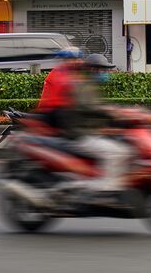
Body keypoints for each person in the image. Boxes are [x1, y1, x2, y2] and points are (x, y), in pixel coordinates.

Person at [36, 51, 132, 193]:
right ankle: (105, 188)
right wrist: (112, 113)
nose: (105, 73)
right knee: (119, 152)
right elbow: (90, 108)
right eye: (102, 70)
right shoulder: (78, 83)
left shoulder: (86, 83)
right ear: (93, 69)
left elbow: (94, 109)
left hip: (84, 130)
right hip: (80, 134)